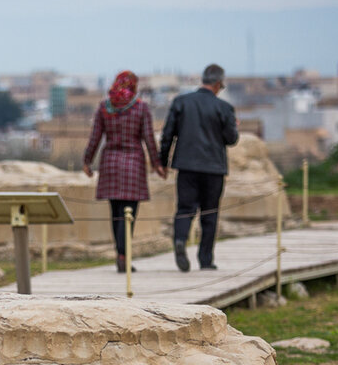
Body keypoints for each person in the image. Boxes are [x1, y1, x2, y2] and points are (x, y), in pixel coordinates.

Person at [83, 71, 166, 272]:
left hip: (110, 163)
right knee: (130, 214)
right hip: (133, 164)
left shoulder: (105, 107)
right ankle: (123, 254)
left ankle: (120, 253)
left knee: (116, 213)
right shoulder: (141, 108)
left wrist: (87, 161)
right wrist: (157, 163)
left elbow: (95, 137)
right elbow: (148, 138)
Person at [159, 63, 239, 271]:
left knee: (185, 209)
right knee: (210, 213)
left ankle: (180, 240)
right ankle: (206, 259)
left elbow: (167, 135)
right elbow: (231, 139)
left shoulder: (181, 102)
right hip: (214, 168)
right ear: (219, 83)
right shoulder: (224, 108)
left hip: (186, 166)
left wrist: (163, 162)